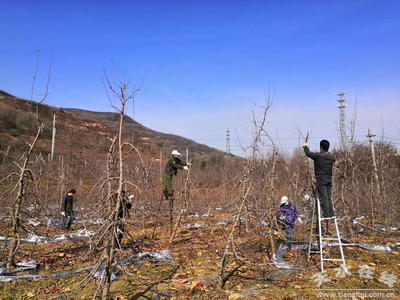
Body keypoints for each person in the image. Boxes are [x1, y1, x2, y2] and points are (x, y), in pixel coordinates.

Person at [303, 139, 335, 218]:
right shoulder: (332, 156)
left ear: (321, 147)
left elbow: (308, 153)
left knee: (323, 197)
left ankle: (326, 214)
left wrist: (305, 146)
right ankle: (331, 213)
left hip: (321, 178)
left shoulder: (319, 156)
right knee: (328, 196)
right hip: (329, 177)